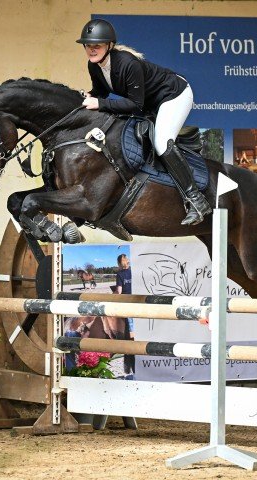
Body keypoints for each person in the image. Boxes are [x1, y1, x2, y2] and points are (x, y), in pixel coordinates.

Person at [76, 18, 211, 226]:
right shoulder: (93, 65)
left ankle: (196, 200)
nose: (91, 50)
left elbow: (135, 105)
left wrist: (100, 104)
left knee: (161, 142)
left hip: (174, 94)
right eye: (88, 45)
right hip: (151, 103)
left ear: (109, 46)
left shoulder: (127, 63)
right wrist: (88, 97)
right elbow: (101, 92)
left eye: (97, 45)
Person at [114, 254, 134, 339]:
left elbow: (119, 291)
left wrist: (112, 295)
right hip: (137, 300)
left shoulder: (120, 274)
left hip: (127, 302)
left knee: (130, 324)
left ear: (119, 263)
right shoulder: (134, 271)